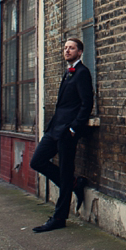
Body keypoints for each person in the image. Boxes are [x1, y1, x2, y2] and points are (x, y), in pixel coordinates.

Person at [30, 37, 94, 232]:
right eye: (65, 48)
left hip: (67, 132)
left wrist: (74, 128)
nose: (67, 51)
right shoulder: (68, 73)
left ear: (80, 52)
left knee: (65, 173)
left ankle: (59, 218)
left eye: (71, 48)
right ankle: (75, 183)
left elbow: (87, 103)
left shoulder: (82, 73)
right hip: (54, 129)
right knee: (37, 161)